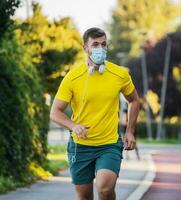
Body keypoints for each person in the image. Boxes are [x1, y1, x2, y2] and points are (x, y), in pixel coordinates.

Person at [50, 27, 140, 200]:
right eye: (95, 44)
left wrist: (129, 130)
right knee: (84, 196)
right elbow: (55, 112)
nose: (100, 48)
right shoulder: (72, 77)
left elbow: (134, 100)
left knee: (105, 189)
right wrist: (73, 126)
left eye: (104, 44)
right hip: (80, 146)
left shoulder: (119, 74)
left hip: (109, 144)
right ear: (86, 48)